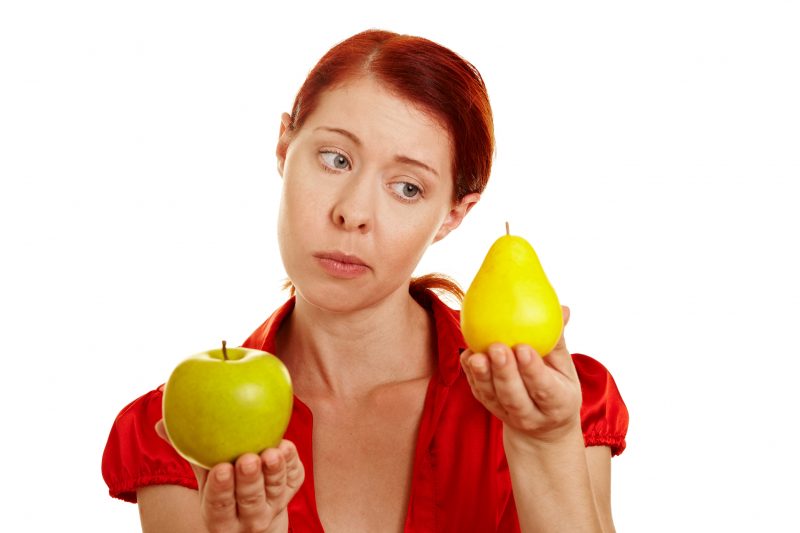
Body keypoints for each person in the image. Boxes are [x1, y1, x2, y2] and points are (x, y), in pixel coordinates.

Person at [102, 29, 628, 533]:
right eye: (336, 159)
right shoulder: (178, 431)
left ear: (453, 215)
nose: (353, 212)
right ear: (284, 148)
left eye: (406, 187)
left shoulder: (553, 403)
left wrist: (545, 445)